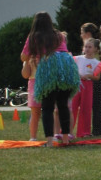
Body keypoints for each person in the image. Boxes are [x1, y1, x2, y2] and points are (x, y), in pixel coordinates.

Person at [21, 12, 80, 146]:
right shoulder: (58, 35)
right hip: (66, 67)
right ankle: (65, 138)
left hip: (48, 68)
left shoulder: (34, 37)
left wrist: (32, 54)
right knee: (63, 105)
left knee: (47, 107)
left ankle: (49, 140)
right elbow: (64, 51)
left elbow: (24, 57)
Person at [81, 22, 101, 135]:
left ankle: (99, 130)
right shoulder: (87, 44)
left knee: (98, 103)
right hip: (89, 76)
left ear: (88, 33)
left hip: (97, 74)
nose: (81, 35)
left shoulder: (96, 43)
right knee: (90, 102)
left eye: (82, 33)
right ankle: (89, 129)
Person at [70, 38, 101, 136]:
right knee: (72, 107)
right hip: (76, 85)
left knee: (86, 108)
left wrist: (89, 76)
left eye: (90, 47)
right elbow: (71, 71)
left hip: (88, 85)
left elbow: (97, 77)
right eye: (86, 47)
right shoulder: (77, 59)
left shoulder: (97, 63)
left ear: (95, 49)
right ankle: (67, 131)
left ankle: (84, 132)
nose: (87, 49)